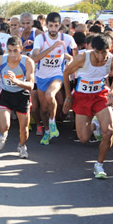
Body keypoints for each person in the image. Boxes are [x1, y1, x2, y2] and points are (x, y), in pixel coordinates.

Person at [63, 33, 113, 179]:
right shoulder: (82, 58)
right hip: (82, 97)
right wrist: (69, 97)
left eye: (104, 52)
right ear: (92, 49)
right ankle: (95, 124)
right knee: (83, 138)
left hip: (101, 96)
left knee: (108, 131)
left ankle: (99, 165)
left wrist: (111, 93)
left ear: (111, 48)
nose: (101, 56)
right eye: (97, 52)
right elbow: (66, 73)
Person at [31, 12, 76, 145]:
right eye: (50, 26)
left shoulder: (67, 38)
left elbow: (76, 54)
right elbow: (34, 58)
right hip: (41, 77)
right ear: (46, 25)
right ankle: (46, 131)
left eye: (56, 26)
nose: (53, 29)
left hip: (57, 75)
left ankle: (52, 123)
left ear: (59, 25)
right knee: (44, 109)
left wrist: (70, 60)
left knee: (51, 96)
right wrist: (52, 48)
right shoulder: (40, 39)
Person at [0, 36, 35, 158]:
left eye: (15, 50)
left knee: (24, 129)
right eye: (9, 50)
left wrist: (16, 81)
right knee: (5, 125)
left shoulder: (27, 62)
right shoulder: (0, 60)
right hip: (6, 93)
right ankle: (3, 134)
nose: (12, 54)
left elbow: (31, 85)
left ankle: (22, 146)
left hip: (22, 95)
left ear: (21, 49)